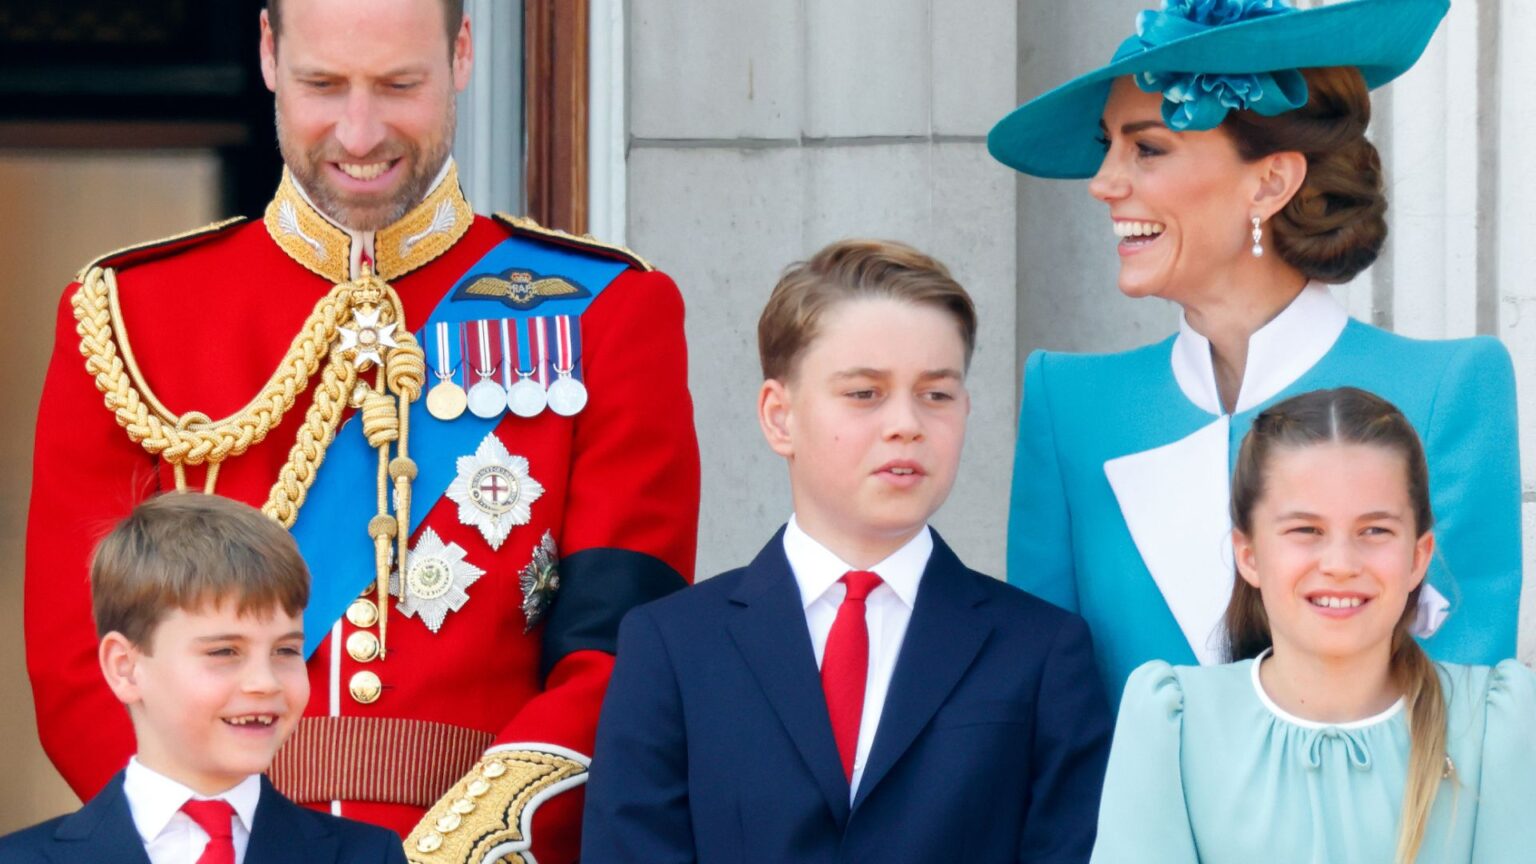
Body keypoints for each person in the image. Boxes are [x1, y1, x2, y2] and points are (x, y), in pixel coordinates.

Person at [24, 0, 700, 860]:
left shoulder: (605, 314)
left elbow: (623, 656)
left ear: (461, 55)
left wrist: (465, 847)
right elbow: (83, 662)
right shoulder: (128, 318)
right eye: (323, 84)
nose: (359, 131)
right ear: (267, 54)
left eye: (397, 85)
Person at [987, 0, 1520, 705]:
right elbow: (1043, 714)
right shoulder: (1070, 403)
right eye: (1107, 145)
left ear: (1269, 182)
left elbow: (1463, 707)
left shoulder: (1446, 389)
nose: (1104, 183)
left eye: (1146, 149)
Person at [581, 240, 1112, 863]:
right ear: (780, 417)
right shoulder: (671, 646)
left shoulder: (1043, 651)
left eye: (936, 394)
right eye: (865, 393)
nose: (906, 424)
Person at [1090, 388, 1536, 863]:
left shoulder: (1491, 723)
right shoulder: (1176, 724)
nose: (1340, 563)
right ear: (1249, 555)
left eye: (1375, 530)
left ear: (1418, 557)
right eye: (1306, 530)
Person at [0, 494, 407, 863]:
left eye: (285, 651)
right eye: (224, 652)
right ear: (124, 666)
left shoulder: (369, 856)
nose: (265, 682)